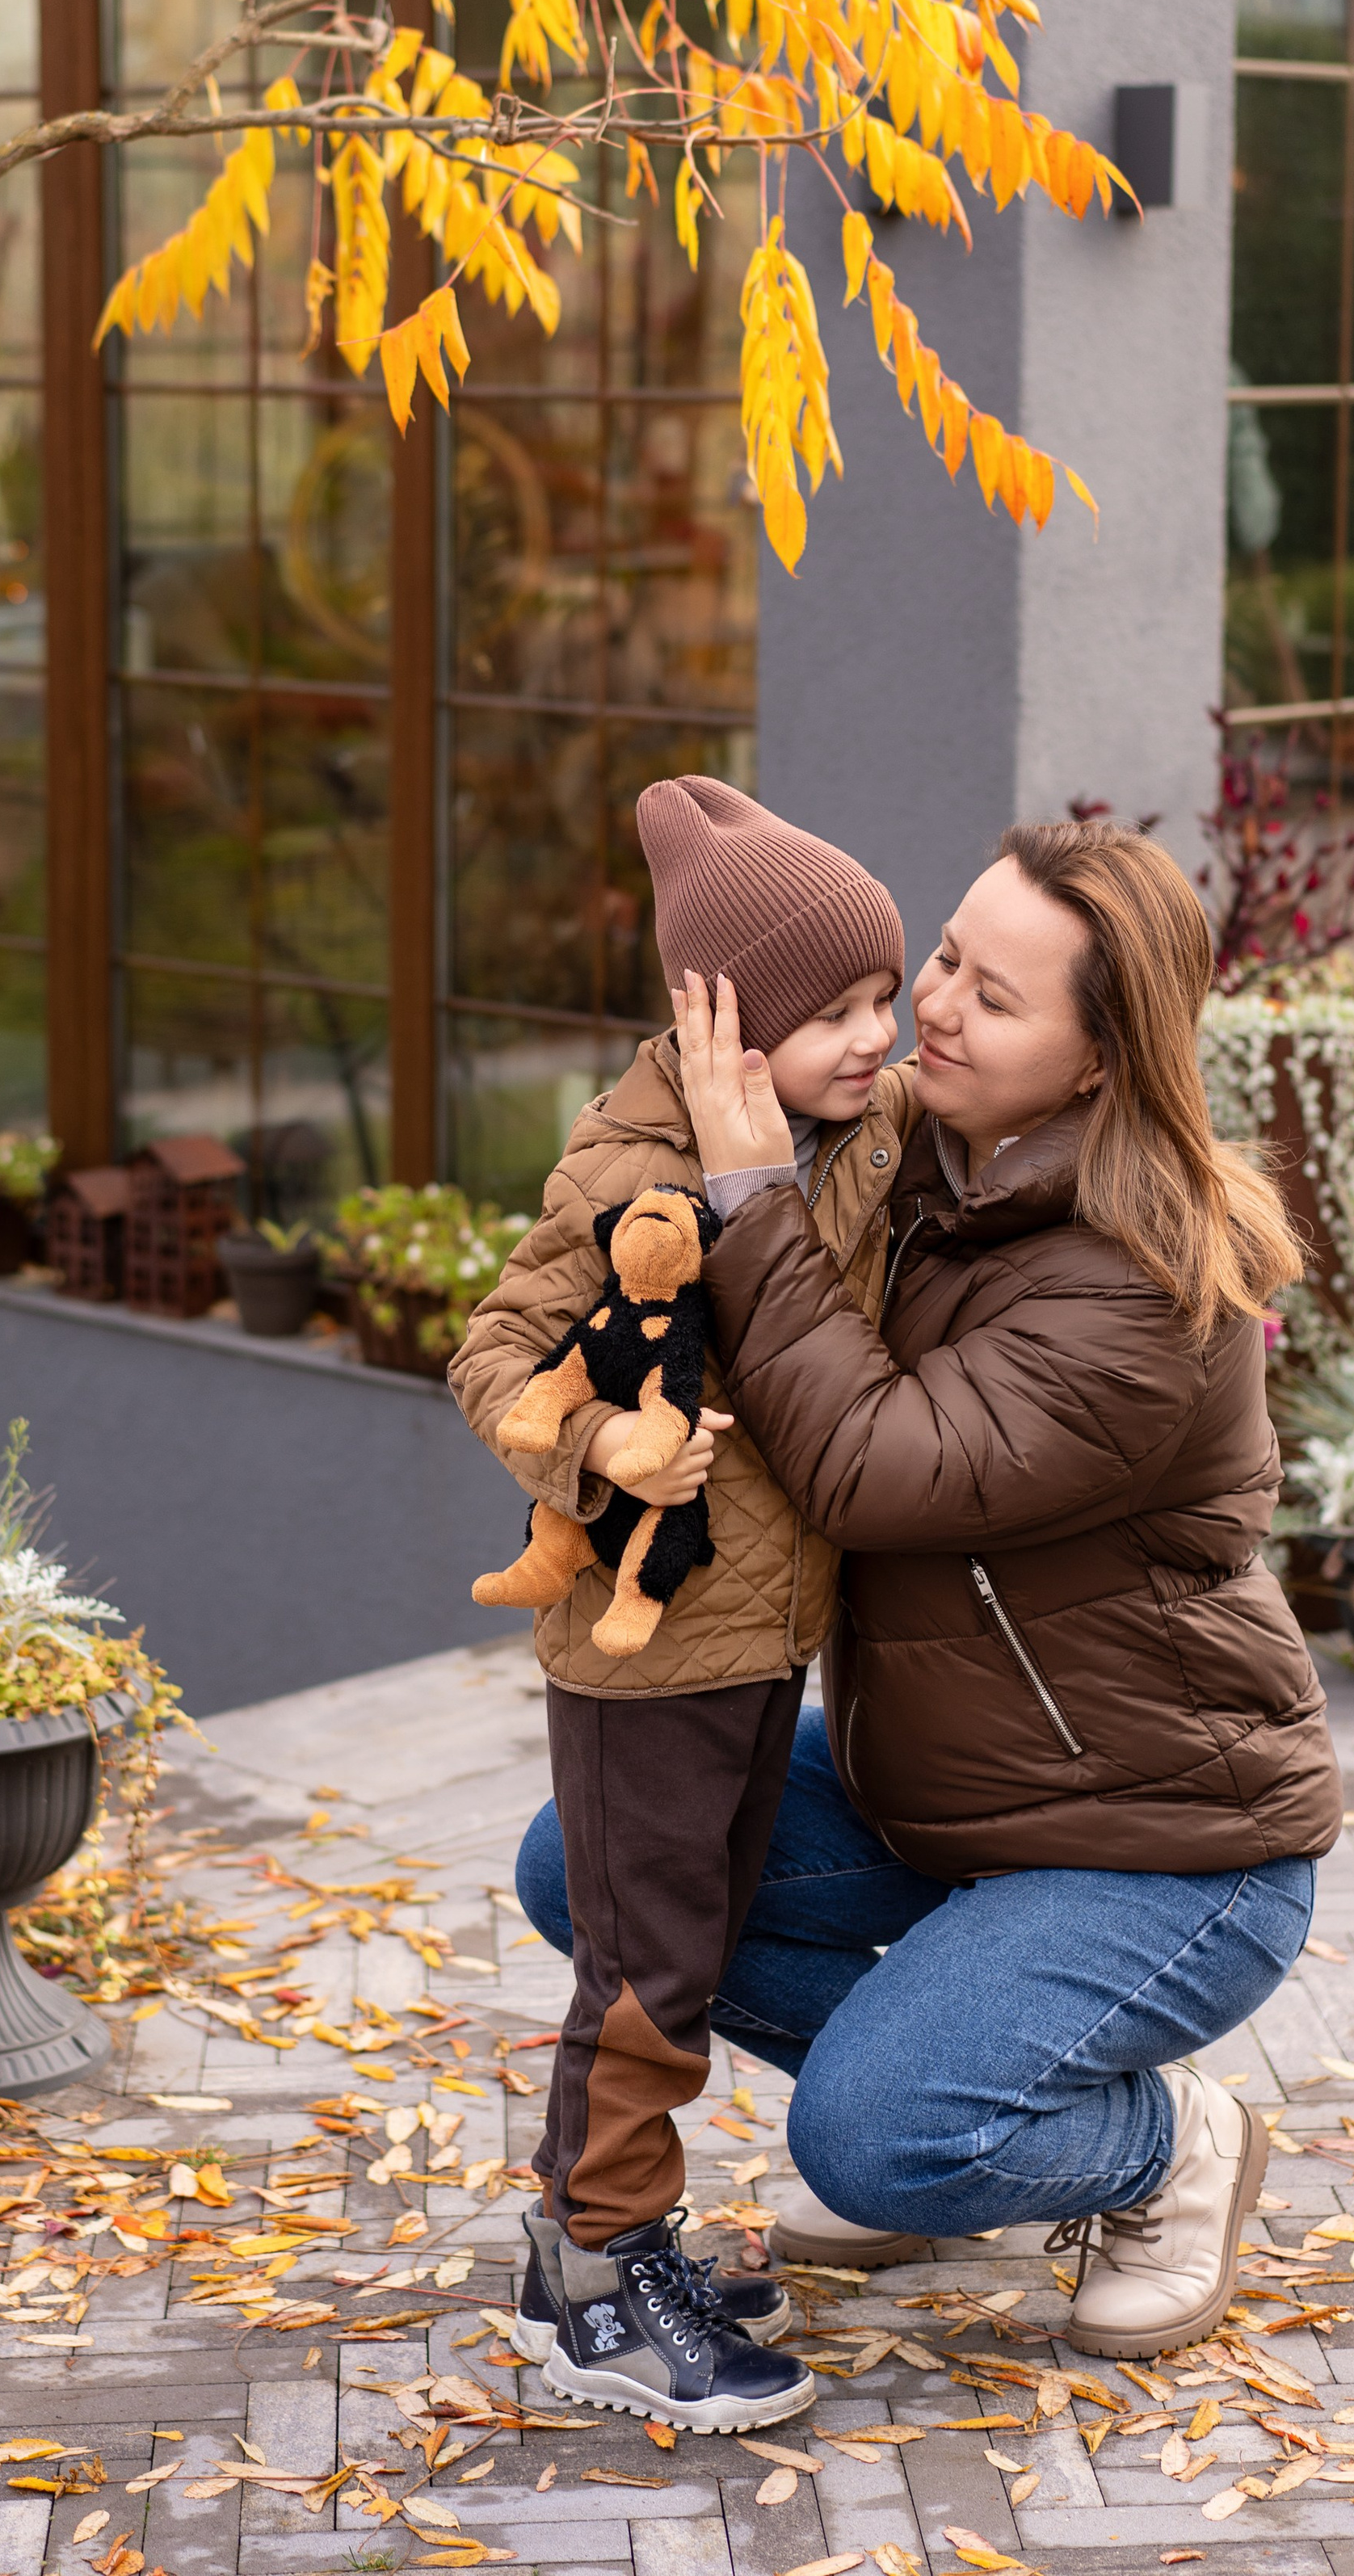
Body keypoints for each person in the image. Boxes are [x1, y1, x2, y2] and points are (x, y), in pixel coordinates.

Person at [514, 819, 1342, 2363]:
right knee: (590, 1864)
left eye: (994, 997)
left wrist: (753, 1195)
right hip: (948, 1789)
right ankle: (955, 2111)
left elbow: (875, 1470)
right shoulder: (918, 1159)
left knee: (868, 2140)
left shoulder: (1146, 1288)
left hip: (1163, 1839)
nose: (933, 1010)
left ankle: (1159, 2147)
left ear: (1101, 1063)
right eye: (946, 957)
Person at [450, 774, 910, 2431]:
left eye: (885, 997)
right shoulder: (632, 1167)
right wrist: (599, 1448)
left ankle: (589, 2248)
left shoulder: (848, 1129)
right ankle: (597, 2281)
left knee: (687, 1955)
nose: (876, 1037)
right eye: (836, 1011)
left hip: (759, 1639)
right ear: (729, 1023)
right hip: (642, 1656)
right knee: (643, 1980)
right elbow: (491, 1357)